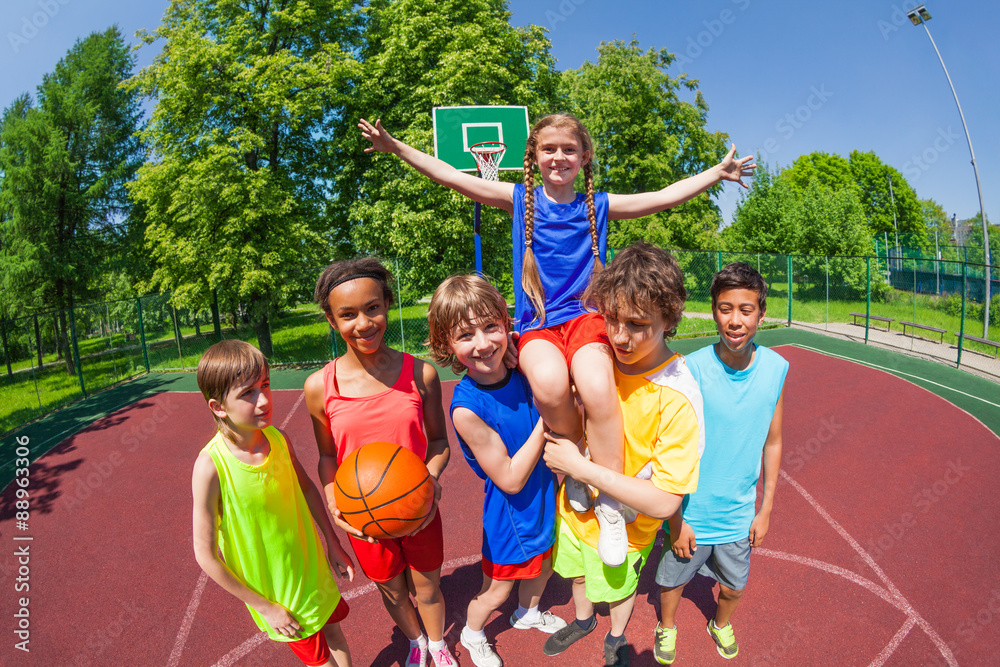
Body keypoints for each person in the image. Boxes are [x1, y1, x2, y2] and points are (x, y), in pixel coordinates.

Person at [359, 114, 753, 568]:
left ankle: (607, 499)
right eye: (549, 149)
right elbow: (451, 176)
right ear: (534, 158)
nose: (559, 157)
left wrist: (715, 175)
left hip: (585, 316)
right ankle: (579, 460)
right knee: (546, 384)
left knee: (598, 385)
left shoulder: (599, 205)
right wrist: (397, 147)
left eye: (569, 149)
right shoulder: (520, 199)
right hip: (539, 321)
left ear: (584, 158)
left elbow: (661, 197)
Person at [540, 243, 704, 666]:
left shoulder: (677, 396)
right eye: (612, 319)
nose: (619, 336)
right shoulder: (600, 357)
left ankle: (615, 635)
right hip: (577, 510)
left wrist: (580, 468)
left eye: (637, 324)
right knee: (577, 573)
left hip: (627, 529)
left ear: (670, 318)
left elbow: (667, 500)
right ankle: (582, 620)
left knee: (618, 588)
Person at [304, 258, 457, 667]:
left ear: (387, 303)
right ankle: (415, 642)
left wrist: (431, 477)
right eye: (348, 315)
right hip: (362, 516)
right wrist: (335, 502)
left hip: (417, 505)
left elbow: (439, 441)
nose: (364, 323)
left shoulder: (420, 373)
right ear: (331, 320)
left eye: (373, 308)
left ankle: (438, 642)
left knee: (428, 588)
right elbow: (325, 457)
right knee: (391, 590)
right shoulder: (320, 387)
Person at [427, 274, 566, 667]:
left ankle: (528, 614)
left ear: (506, 324)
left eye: (491, 327)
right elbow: (508, 477)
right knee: (497, 590)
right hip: (511, 513)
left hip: (542, 495)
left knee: (546, 563)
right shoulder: (468, 408)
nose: (483, 343)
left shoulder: (519, 364)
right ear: (446, 344)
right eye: (466, 335)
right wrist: (547, 420)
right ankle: (472, 635)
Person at [653, 262, 787, 664]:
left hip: (739, 516)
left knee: (733, 588)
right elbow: (667, 448)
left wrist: (765, 510)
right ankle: (667, 626)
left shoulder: (776, 369)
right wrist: (676, 519)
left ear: (761, 315)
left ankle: (719, 622)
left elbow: (774, 441)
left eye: (746, 310)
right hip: (691, 513)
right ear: (713, 310)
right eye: (725, 308)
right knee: (672, 582)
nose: (735, 320)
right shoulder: (689, 369)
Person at [192, 339, 355, 667]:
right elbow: (206, 556)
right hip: (282, 596)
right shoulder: (212, 467)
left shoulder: (278, 439)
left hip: (313, 573)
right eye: (247, 393)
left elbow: (308, 489)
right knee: (320, 661)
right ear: (218, 407)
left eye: (265, 385)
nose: (264, 400)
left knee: (335, 635)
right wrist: (265, 606)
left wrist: (332, 544)